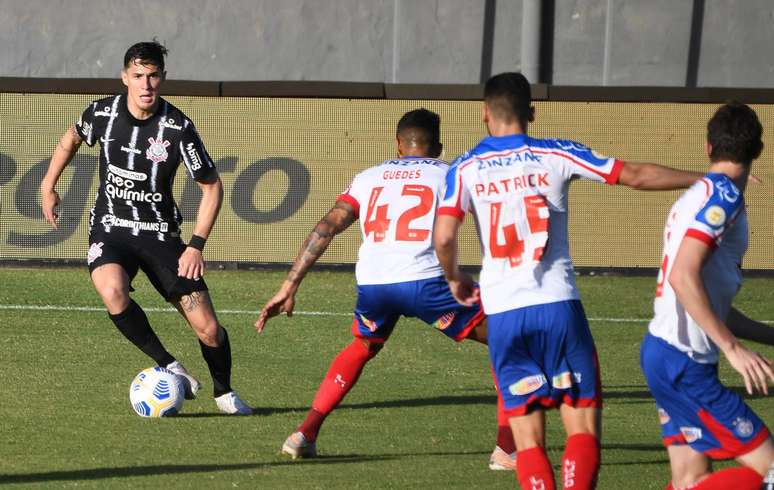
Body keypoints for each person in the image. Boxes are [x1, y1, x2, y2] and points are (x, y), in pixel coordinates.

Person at [433, 72, 704, 489]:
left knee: (528, 443)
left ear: (485, 115)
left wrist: (454, 278)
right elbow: (633, 174)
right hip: (559, 307)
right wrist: (701, 179)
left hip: (505, 315)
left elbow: (445, 236)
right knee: (580, 429)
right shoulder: (557, 153)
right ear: (533, 113)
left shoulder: (465, 167)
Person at [256, 108, 516, 468]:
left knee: (364, 344)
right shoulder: (452, 174)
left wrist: (290, 284)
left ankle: (304, 434)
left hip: (374, 285)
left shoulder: (368, 177)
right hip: (427, 283)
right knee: (508, 338)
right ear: (438, 146)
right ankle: (507, 449)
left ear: (397, 144)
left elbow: (327, 227)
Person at [39, 40, 251, 415]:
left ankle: (224, 392)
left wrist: (196, 245)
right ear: (125, 78)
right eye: (138, 76)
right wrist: (48, 186)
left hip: (160, 235)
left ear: (162, 78)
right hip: (111, 228)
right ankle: (170, 365)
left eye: (153, 76)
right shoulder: (102, 113)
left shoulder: (178, 127)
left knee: (208, 329)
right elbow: (71, 139)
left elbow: (212, 186)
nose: (146, 84)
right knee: (112, 291)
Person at [640, 102, 774, 490]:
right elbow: (684, 276)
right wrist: (733, 349)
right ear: (758, 151)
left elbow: (711, 306)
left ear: (708, 148)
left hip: (663, 353)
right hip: (684, 363)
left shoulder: (699, 193)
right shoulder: (724, 198)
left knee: (690, 479)